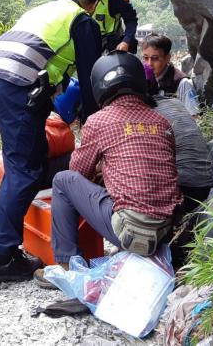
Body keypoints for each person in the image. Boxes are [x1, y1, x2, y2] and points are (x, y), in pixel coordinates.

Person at [0, 0, 107, 284]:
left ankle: (6, 241)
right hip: (15, 86)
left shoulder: (45, 9)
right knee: (24, 169)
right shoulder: (83, 22)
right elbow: (89, 80)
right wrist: (94, 122)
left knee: (25, 158)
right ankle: (1, 257)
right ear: (94, 3)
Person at [34, 52, 181, 286]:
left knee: (63, 180)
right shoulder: (161, 122)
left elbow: (77, 172)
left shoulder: (99, 120)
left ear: (100, 86)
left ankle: (66, 266)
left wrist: (102, 170)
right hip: (166, 230)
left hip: (131, 231)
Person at [152, 95, 213, 267]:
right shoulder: (175, 102)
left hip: (184, 187)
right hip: (209, 181)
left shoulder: (147, 116)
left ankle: (166, 255)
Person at [140, 33, 200, 115]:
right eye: (145, 58)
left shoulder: (182, 83)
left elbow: (195, 117)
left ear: (167, 58)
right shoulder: (140, 80)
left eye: (155, 58)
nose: (149, 63)